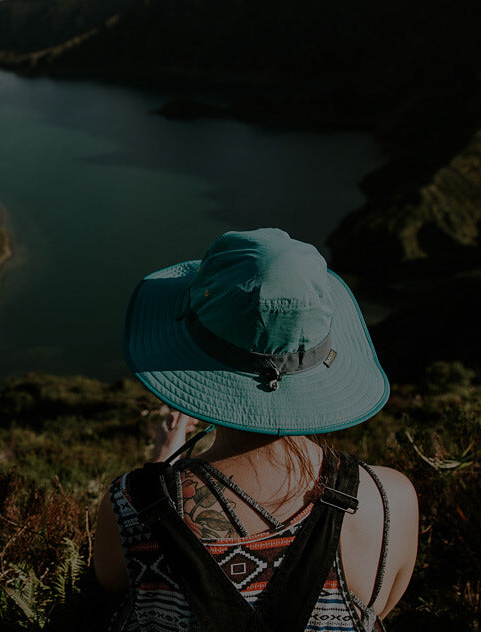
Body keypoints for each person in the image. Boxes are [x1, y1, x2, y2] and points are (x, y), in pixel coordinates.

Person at [93, 228, 418, 631]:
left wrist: (158, 467)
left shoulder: (129, 507)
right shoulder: (390, 503)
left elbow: (111, 582)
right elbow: (374, 613)